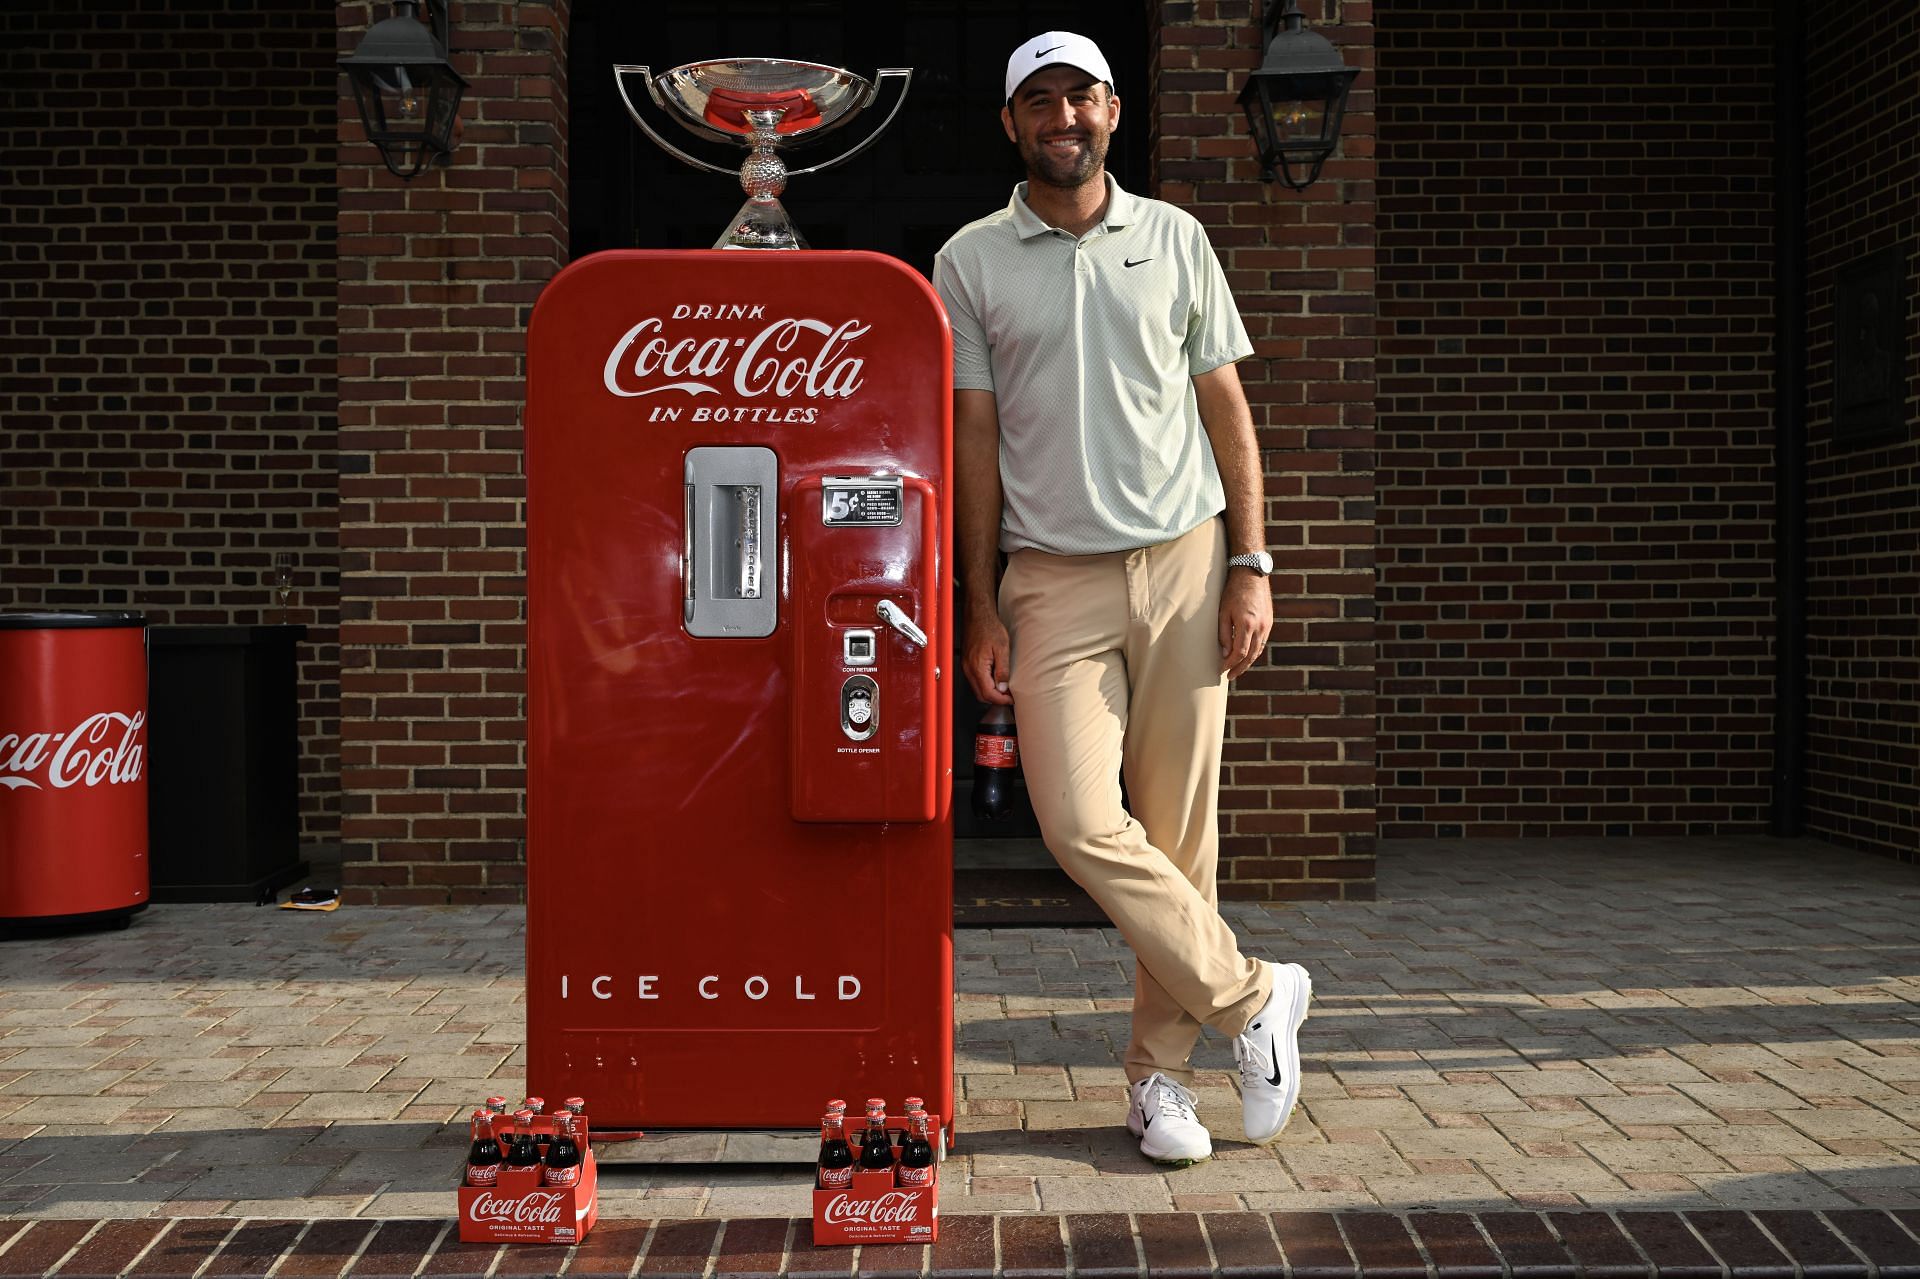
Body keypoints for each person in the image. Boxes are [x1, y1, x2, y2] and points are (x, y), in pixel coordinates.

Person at [933, 32, 1312, 1167]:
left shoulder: (1177, 237)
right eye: (1039, 99)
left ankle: (1161, 1083)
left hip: (1187, 561)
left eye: (1082, 96)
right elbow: (975, 439)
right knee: (1080, 823)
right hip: (1050, 576)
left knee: (1180, 836)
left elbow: (1225, 410)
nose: (1064, 116)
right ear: (1012, 124)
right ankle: (1255, 997)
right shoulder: (970, 260)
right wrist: (981, 603)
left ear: (1112, 113)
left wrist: (1253, 562)